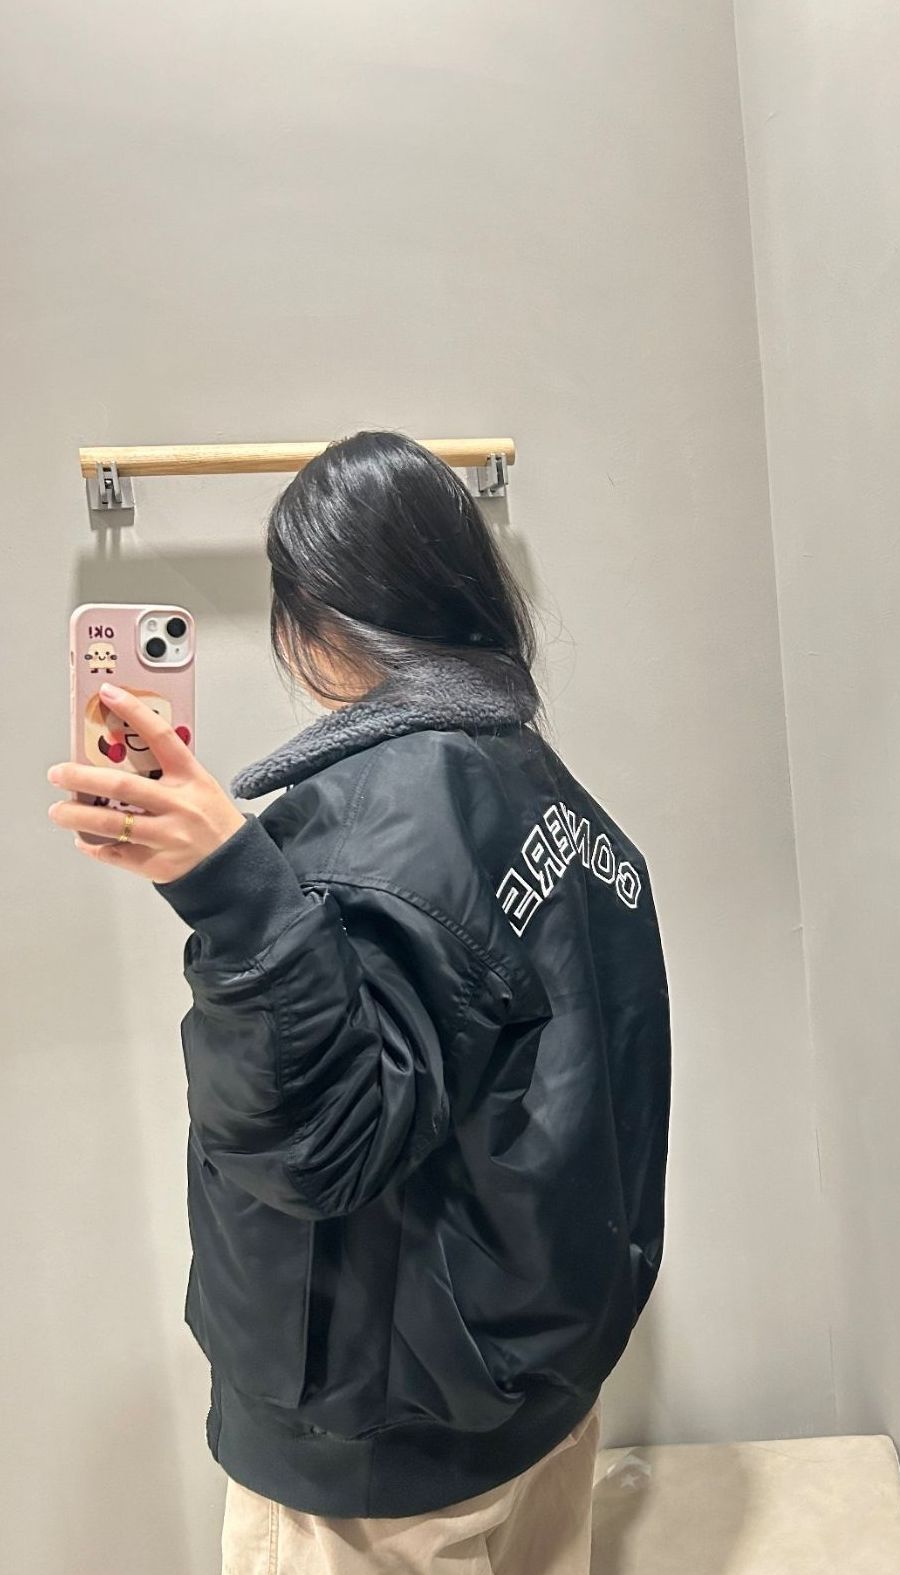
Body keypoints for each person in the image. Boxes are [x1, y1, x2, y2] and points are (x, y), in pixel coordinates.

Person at [47, 430, 672, 1574]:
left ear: (307, 621)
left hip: (382, 1450)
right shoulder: (542, 786)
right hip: (538, 1390)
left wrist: (233, 891)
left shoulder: (365, 831)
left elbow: (312, 1152)